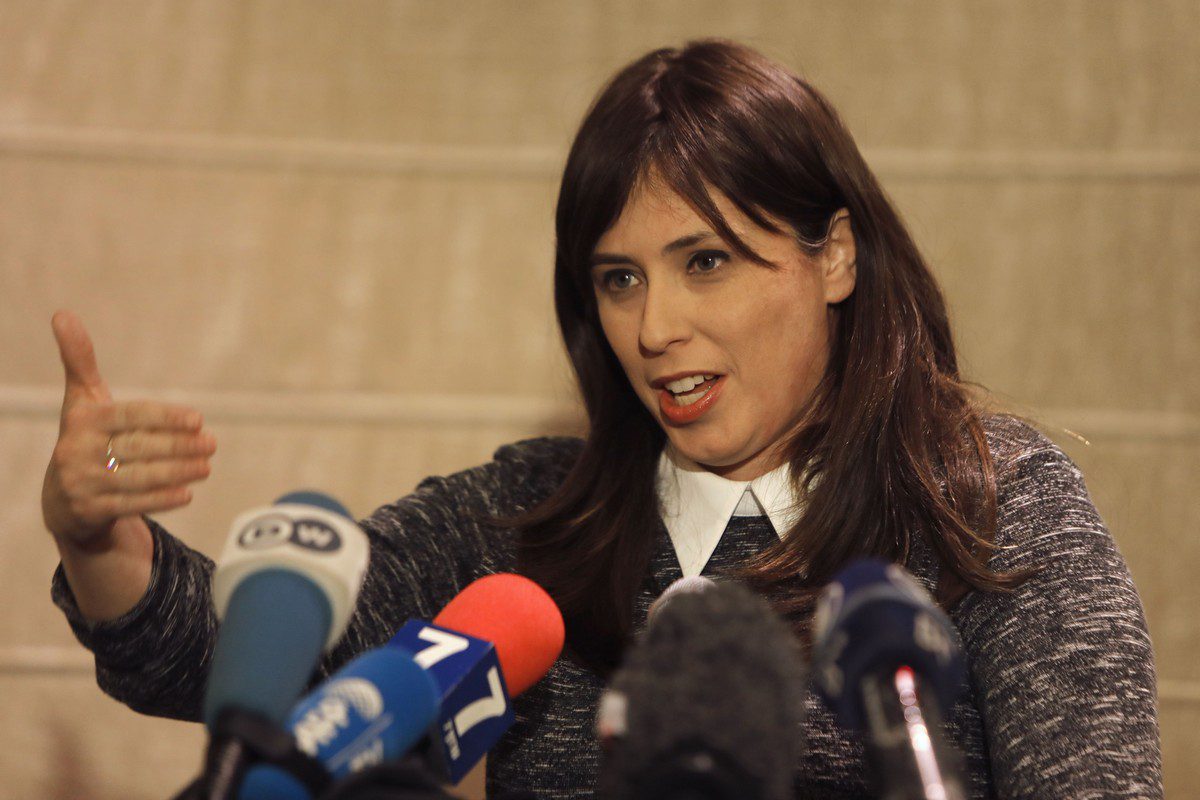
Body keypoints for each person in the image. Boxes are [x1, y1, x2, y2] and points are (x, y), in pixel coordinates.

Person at [43, 40, 1161, 798]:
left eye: (706, 262)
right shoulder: (528, 514)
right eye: (617, 279)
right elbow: (250, 664)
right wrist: (103, 538)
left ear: (835, 255)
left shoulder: (989, 502)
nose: (654, 326)